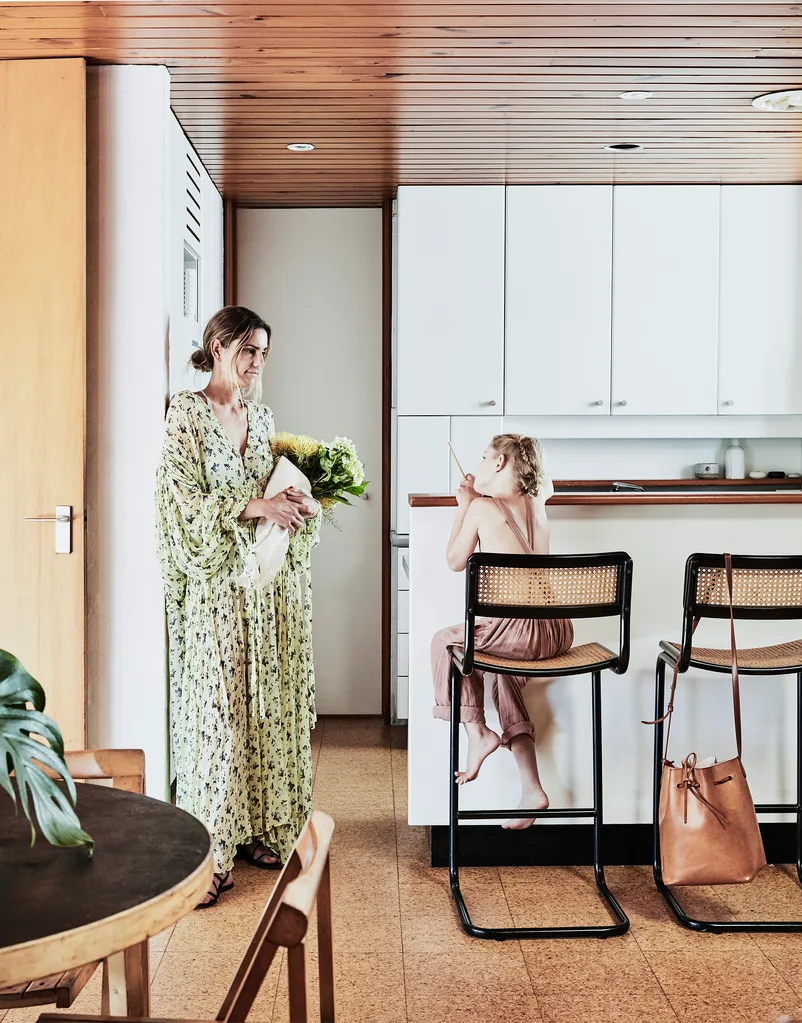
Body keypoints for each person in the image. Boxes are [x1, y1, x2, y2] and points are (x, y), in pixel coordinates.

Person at [156, 306, 319, 907]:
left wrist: (297, 501)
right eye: (249, 350)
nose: (256, 364)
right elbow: (182, 501)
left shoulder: (263, 416)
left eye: (264, 354)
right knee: (220, 717)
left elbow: (269, 489)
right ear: (219, 345)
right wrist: (258, 507)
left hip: (265, 591)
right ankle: (212, 853)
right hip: (216, 592)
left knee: (264, 709)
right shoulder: (186, 414)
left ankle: (259, 830)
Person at [431, 434, 574, 829]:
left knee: (444, 642)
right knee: (502, 675)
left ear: (498, 463)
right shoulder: (538, 498)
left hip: (520, 632)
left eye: (483, 457)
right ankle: (532, 789)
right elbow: (542, 482)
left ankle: (477, 732)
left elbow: (454, 560)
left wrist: (464, 505)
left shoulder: (481, 508)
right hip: (556, 630)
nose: (478, 464)